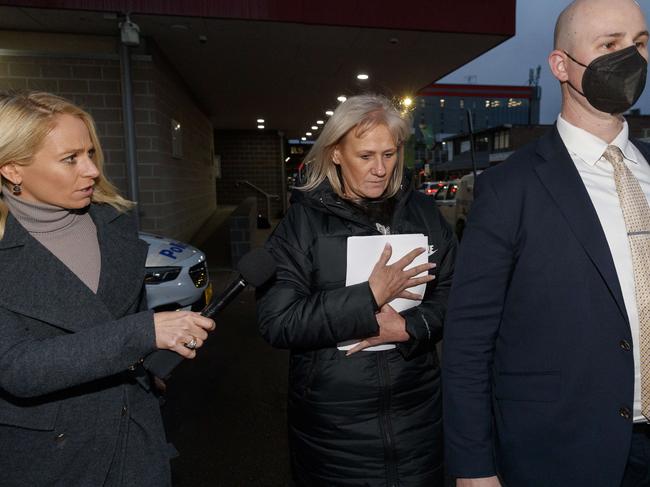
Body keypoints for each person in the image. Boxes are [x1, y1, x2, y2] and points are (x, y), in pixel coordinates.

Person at [442, 0, 650, 485]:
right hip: (560, 451)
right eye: (610, 45)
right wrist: (474, 468)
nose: (632, 59)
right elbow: (470, 344)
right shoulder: (509, 188)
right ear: (561, 65)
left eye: (640, 44)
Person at [0, 91, 215, 487]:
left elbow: (122, 317)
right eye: (71, 159)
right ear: (13, 170)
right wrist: (143, 333)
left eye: (91, 153)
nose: (92, 171)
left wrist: (147, 367)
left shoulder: (114, 227)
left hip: (135, 439)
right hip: (50, 457)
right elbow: (17, 368)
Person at [257, 93, 456, 486]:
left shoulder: (424, 213)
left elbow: (455, 295)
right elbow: (277, 321)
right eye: (366, 156)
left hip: (418, 419)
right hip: (333, 433)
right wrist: (367, 297)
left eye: (389, 154)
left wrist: (412, 328)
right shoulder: (303, 224)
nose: (380, 169)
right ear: (335, 153)